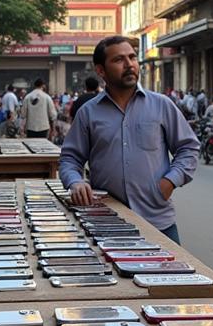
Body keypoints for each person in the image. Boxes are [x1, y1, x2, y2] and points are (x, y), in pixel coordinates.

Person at [60, 36, 199, 243]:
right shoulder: (88, 113)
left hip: (158, 221)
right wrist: (76, 182)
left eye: (132, 58)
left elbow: (188, 148)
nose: (129, 65)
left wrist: (170, 181)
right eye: (118, 60)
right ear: (100, 70)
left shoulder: (162, 105)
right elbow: (70, 158)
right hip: (105, 222)